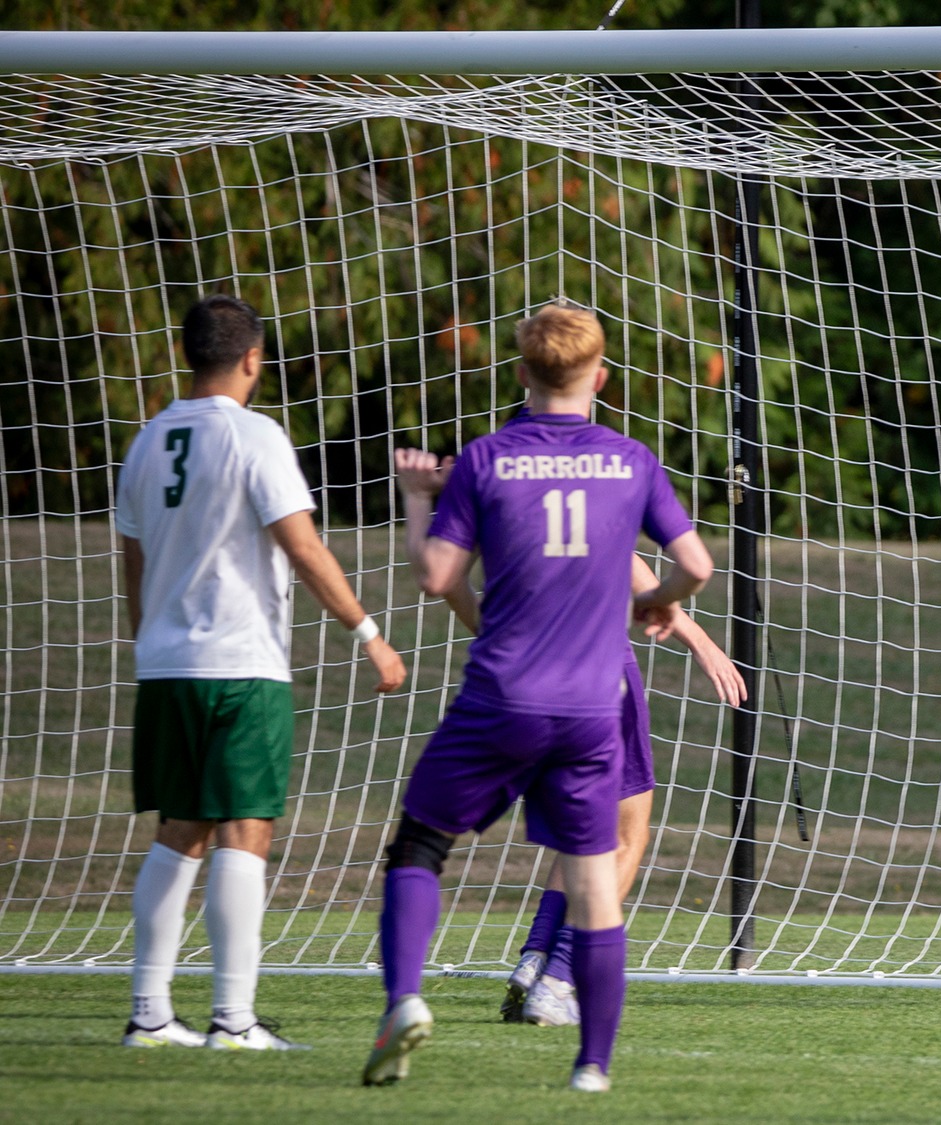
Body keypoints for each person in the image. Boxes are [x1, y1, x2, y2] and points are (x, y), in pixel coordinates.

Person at [362, 302, 713, 1092]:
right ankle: (591, 1064)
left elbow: (439, 578)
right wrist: (660, 596)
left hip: (502, 696)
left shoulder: (486, 458)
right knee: (593, 878)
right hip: (592, 707)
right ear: (601, 376)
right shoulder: (630, 459)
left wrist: (419, 496)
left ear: (522, 372)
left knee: (422, 842)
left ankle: (404, 1001)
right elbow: (697, 563)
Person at [116, 294, 407, 1051]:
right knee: (246, 830)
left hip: (167, 663)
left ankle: (150, 1013)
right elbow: (303, 546)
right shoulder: (255, 435)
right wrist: (369, 632)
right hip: (241, 664)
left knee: (178, 830)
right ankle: (233, 1020)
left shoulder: (148, 441)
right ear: (252, 359)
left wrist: (152, 645)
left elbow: (134, 562)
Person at [392, 450, 742, 1026]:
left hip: (515, 682)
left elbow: (443, 579)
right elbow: (644, 568)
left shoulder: (489, 475)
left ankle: (533, 962)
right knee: (621, 835)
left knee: (569, 832)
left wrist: (491, 629)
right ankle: (559, 981)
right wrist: (700, 641)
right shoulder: (596, 467)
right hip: (597, 678)